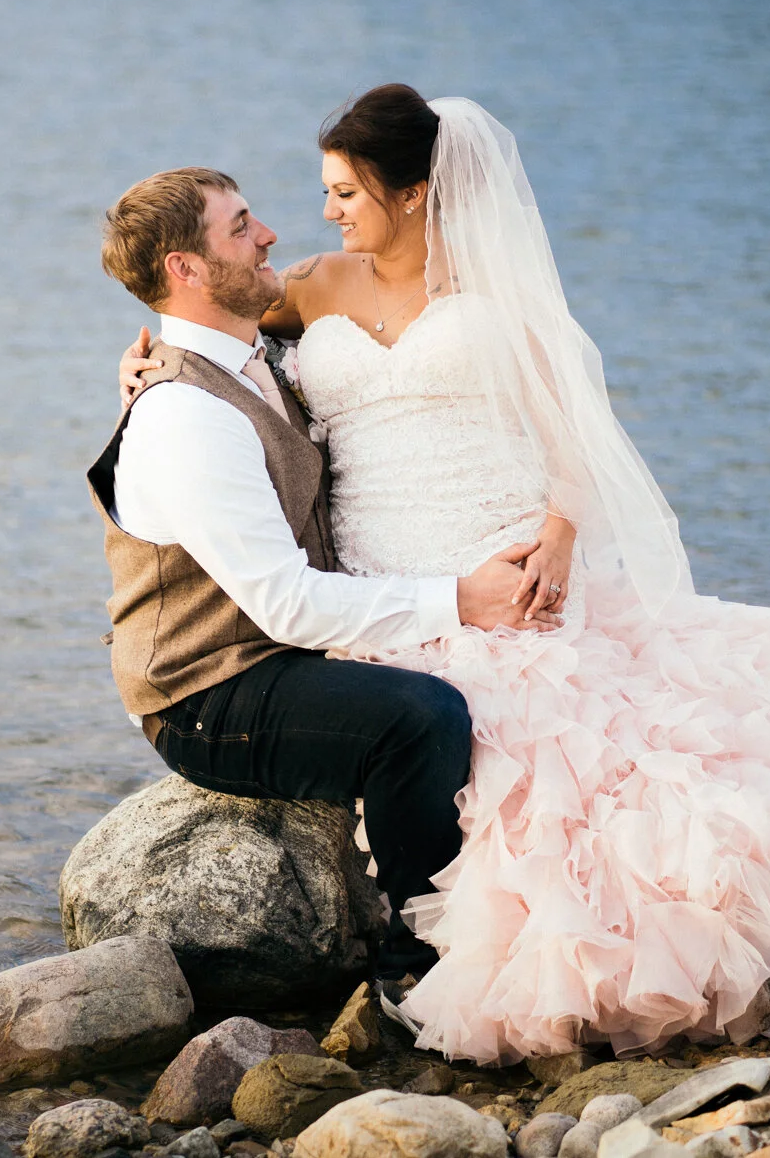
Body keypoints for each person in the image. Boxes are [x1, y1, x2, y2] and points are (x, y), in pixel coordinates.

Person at [117, 86, 770, 1064]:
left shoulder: (498, 288)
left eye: (344, 190)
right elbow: (215, 340)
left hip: (507, 551)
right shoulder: (312, 285)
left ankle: (511, 964)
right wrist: (144, 368)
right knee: (484, 755)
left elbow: (573, 428)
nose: (322, 211)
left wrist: (558, 533)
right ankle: (431, 960)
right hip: (390, 578)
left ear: (414, 193)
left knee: (608, 768)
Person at [89, 165, 563, 982]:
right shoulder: (183, 412)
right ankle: (416, 966)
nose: (271, 233)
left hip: (278, 651)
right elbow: (285, 604)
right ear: (186, 270)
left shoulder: (255, 358)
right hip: (207, 688)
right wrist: (462, 599)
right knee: (420, 717)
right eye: (240, 226)